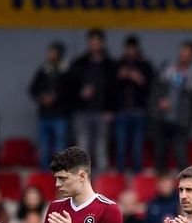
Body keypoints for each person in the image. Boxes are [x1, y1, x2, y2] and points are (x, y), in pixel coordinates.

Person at [152, 40, 192, 172]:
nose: (184, 56)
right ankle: (161, 184)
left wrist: (191, 118)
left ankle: (184, 186)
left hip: (181, 121)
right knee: (160, 152)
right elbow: (154, 90)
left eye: (188, 54)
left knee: (181, 155)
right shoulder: (167, 69)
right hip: (162, 118)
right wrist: (158, 104)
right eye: (182, 52)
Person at [69, 28, 115, 172]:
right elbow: (67, 87)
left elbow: (114, 90)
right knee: (82, 148)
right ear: (88, 43)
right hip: (82, 111)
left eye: (97, 42)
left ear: (102, 44)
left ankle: (102, 183)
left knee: (101, 147)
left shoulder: (109, 65)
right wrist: (80, 93)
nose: (94, 45)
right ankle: (82, 182)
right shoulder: (79, 63)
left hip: (102, 111)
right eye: (92, 42)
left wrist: (110, 109)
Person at [113, 35, 154, 174]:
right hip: (121, 110)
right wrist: (119, 77)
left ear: (137, 49)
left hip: (139, 110)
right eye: (128, 48)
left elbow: (153, 89)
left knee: (138, 145)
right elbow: (109, 88)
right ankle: (120, 173)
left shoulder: (145, 65)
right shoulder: (117, 64)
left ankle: (137, 174)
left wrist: (139, 78)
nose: (130, 51)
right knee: (121, 145)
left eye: (133, 48)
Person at [28, 40, 71, 169]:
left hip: (60, 114)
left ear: (59, 54)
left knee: (60, 145)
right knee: (44, 145)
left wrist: (56, 98)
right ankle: (44, 171)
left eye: (52, 52)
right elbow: (32, 89)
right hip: (45, 114)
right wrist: (42, 97)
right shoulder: (43, 70)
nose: (49, 54)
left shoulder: (66, 71)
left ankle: (59, 169)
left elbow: (71, 91)